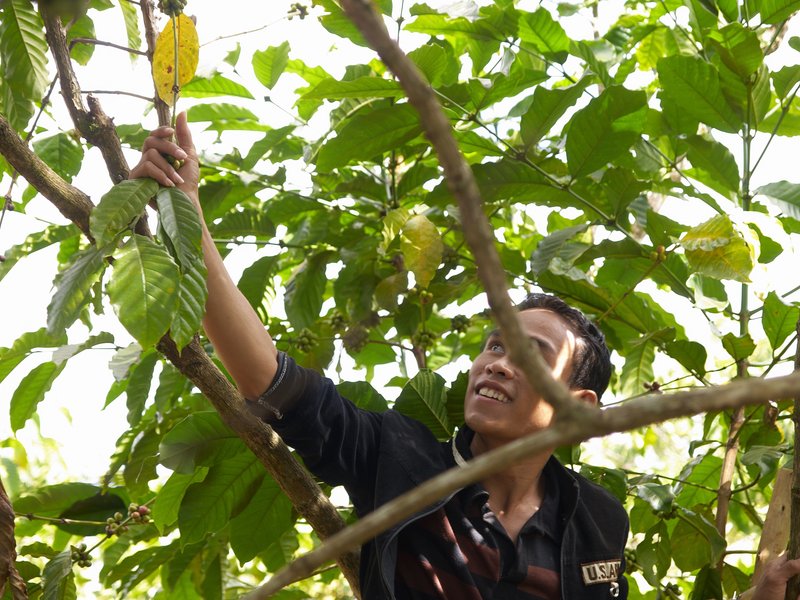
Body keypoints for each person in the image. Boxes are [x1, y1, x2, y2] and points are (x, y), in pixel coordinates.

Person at [130, 114, 800, 600]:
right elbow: (271, 380)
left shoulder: (597, 519)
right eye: (491, 347)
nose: (494, 364)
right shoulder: (398, 457)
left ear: (579, 406)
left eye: (529, 354)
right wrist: (188, 218)